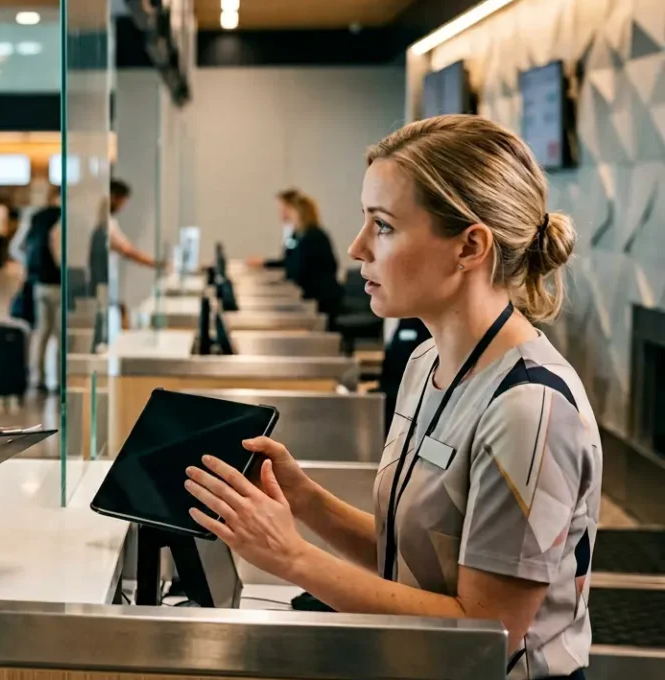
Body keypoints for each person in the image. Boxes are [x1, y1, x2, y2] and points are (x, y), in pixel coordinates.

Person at [184, 115, 596, 680]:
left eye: (382, 226)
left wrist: (293, 557)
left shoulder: (529, 409)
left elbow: (487, 633)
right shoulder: (425, 363)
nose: (357, 248)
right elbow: (415, 555)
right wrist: (305, 500)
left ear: (469, 246)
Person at [249, 190, 343, 327]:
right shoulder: (296, 235)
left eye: (284, 209)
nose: (281, 213)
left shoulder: (313, 236)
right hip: (309, 298)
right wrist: (265, 263)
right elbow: (289, 261)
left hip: (321, 301)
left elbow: (298, 269)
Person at [89, 179, 159, 347]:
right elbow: (127, 250)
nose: (124, 206)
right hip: (101, 281)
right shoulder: (106, 225)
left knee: (107, 318)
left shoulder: (107, 223)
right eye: (123, 201)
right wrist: (156, 264)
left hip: (106, 281)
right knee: (102, 322)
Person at [23, 186, 62, 392]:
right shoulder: (65, 217)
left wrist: (30, 269)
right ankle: (60, 379)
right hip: (59, 283)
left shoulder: (37, 217)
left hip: (40, 282)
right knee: (60, 334)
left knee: (41, 331)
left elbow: (20, 246)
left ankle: (37, 377)